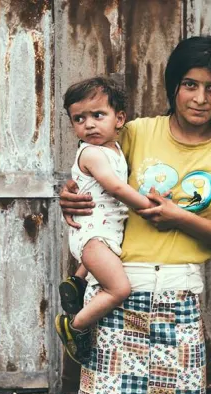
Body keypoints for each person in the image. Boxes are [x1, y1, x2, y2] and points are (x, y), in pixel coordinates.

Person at [60, 35, 211, 394]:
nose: (200, 98)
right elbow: (91, 172)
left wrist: (179, 218)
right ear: (174, 87)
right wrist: (69, 196)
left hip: (179, 295)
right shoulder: (136, 132)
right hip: (118, 290)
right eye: (190, 84)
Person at [56, 77, 153, 365]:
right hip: (93, 235)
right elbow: (116, 188)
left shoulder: (114, 150)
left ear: (119, 119)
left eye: (98, 115)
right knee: (119, 289)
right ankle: (75, 326)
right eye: (79, 119)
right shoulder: (92, 153)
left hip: (103, 232)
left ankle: (77, 281)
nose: (88, 125)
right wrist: (148, 207)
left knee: (108, 260)